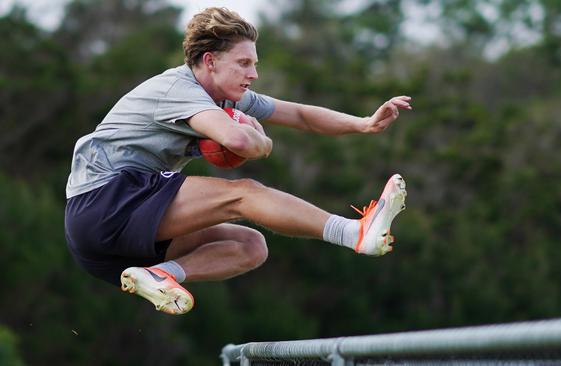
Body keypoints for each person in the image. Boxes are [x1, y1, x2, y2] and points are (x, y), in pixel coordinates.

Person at [64, 7, 411, 315]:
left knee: (249, 246)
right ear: (210, 61)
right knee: (244, 193)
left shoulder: (227, 96)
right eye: (244, 63)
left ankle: (162, 274)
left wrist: (363, 123)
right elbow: (238, 140)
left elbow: (301, 115)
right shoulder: (179, 88)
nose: (254, 74)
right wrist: (263, 142)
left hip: (105, 244)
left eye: (254, 64)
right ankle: (353, 232)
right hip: (103, 200)